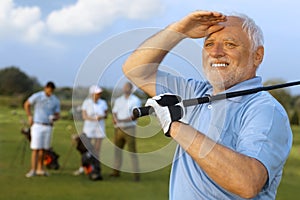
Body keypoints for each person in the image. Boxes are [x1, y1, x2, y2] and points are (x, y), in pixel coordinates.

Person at [122, 11, 292, 199]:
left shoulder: (264, 109)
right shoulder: (195, 92)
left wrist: (176, 127)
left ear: (257, 55)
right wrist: (179, 30)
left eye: (230, 44)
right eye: (209, 44)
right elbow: (136, 70)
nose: (215, 52)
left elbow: (248, 182)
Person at [24, 81, 60, 177]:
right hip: (37, 125)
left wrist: (55, 118)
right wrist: (30, 116)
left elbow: (57, 114)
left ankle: (40, 169)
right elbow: (27, 104)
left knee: (44, 149)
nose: (50, 92)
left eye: (51, 91)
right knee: (35, 149)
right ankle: (33, 170)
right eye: (48, 90)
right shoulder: (38, 96)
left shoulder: (55, 100)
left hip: (48, 126)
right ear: (45, 88)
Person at [73, 85, 108, 178]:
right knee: (86, 149)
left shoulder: (103, 102)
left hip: (99, 128)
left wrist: (101, 116)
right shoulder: (87, 102)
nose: (99, 95)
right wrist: (94, 118)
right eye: (97, 93)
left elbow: (106, 114)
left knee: (97, 150)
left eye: (99, 93)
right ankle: (82, 167)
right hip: (88, 129)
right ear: (92, 94)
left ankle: (95, 168)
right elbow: (84, 116)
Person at [110, 82, 141, 181]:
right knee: (117, 151)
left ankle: (136, 175)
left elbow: (135, 115)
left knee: (132, 152)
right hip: (118, 129)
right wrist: (115, 119)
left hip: (130, 129)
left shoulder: (136, 100)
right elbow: (114, 112)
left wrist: (122, 120)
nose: (124, 89)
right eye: (124, 87)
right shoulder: (119, 100)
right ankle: (115, 173)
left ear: (131, 89)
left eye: (126, 87)